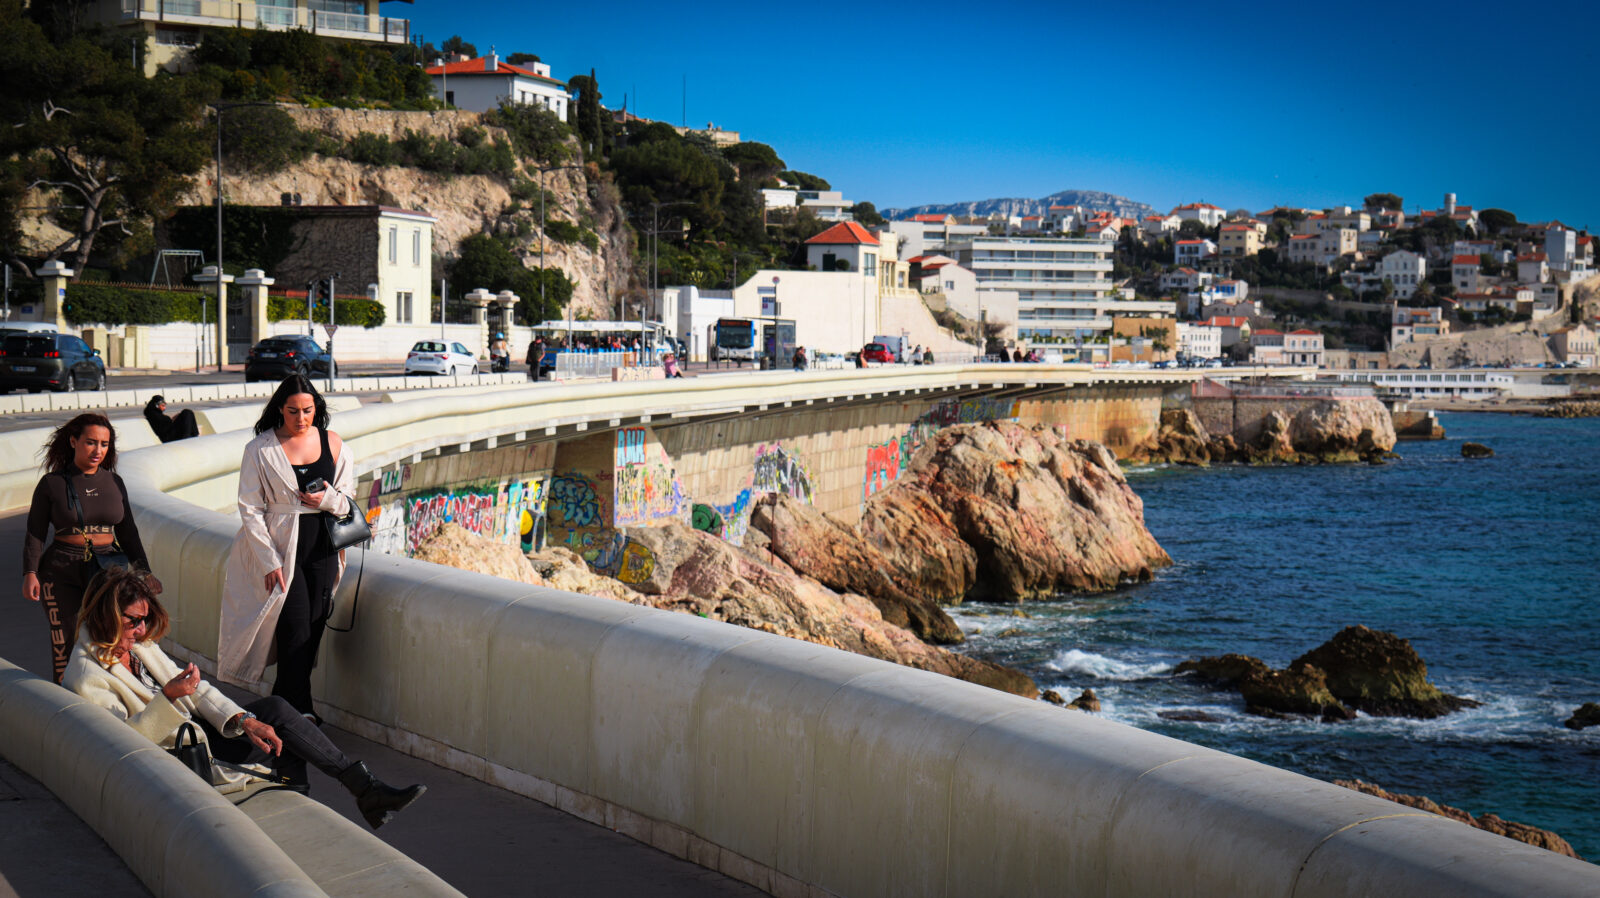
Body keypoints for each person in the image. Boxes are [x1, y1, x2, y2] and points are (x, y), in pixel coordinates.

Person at [64, 568, 424, 828]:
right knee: (287, 727)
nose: (142, 630)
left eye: (144, 620)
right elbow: (121, 747)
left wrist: (243, 721)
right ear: (107, 615)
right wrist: (170, 698)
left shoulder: (138, 645)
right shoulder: (86, 675)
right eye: (133, 621)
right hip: (180, 753)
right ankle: (352, 796)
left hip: (201, 733)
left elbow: (200, 691)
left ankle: (340, 797)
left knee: (275, 717)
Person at [219, 376, 354, 719]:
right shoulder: (260, 449)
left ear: (316, 409)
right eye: (293, 411)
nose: (301, 418)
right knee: (293, 628)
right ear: (280, 409)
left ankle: (284, 706)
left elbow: (348, 500)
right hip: (281, 546)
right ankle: (299, 713)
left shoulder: (334, 443)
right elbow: (250, 507)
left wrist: (327, 500)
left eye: (307, 410)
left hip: (323, 545)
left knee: (315, 623)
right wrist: (268, 560)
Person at [22, 413, 158, 683]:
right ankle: (66, 701)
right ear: (73, 441)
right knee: (67, 640)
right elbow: (35, 532)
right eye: (91, 442)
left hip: (108, 570)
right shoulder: (52, 483)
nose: (98, 451)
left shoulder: (114, 482)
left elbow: (128, 531)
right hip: (61, 570)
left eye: (104, 444)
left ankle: (111, 696)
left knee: (112, 636)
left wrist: (144, 571)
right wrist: (30, 573)